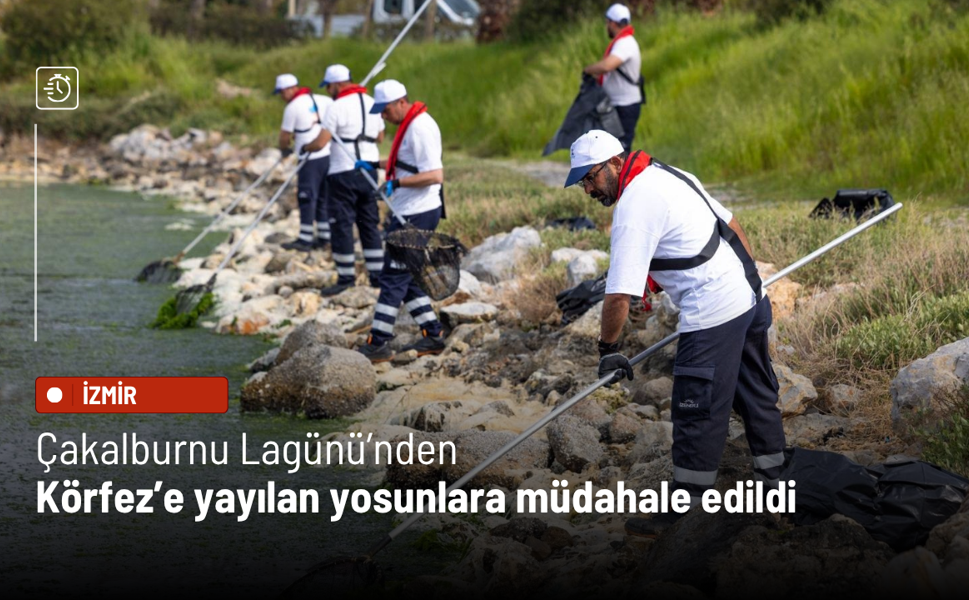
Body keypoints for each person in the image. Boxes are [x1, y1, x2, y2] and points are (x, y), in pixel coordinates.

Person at [564, 130, 786, 538]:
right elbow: (731, 222)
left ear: (615, 163)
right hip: (749, 296)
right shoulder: (667, 172)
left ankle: (686, 511)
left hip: (714, 309)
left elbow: (619, 295)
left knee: (695, 409)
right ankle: (777, 484)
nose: (588, 189)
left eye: (591, 178)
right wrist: (749, 282)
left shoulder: (633, 205)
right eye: (582, 182)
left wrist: (608, 348)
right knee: (755, 392)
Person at [353, 80, 446, 363]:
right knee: (406, 279)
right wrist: (376, 165)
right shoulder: (410, 124)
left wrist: (397, 183)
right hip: (408, 210)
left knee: (393, 276)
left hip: (417, 212)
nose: (383, 116)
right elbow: (405, 161)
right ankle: (433, 334)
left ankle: (378, 341)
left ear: (401, 102)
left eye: (385, 109)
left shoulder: (419, 128)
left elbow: (434, 175)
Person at [301, 64, 386, 295]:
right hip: (369, 169)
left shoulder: (336, 106)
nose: (328, 91)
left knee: (342, 224)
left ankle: (346, 277)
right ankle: (377, 276)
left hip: (342, 170)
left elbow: (321, 142)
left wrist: (305, 146)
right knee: (369, 222)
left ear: (337, 84)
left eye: (328, 86)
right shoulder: (372, 103)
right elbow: (380, 136)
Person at [274, 73, 334, 252]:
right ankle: (325, 236)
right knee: (323, 197)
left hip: (310, 158)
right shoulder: (322, 99)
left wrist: (284, 149)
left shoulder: (292, 107)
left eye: (281, 93)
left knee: (306, 197)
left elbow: (284, 136)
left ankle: (305, 238)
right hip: (328, 154)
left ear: (290, 89)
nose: (281, 97)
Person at [583, 4, 643, 151]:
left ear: (612, 23)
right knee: (613, 150)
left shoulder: (625, 43)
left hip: (625, 106)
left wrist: (588, 70)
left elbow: (607, 66)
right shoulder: (622, 42)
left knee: (620, 150)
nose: (606, 27)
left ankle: (624, 174)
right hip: (618, 104)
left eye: (607, 23)